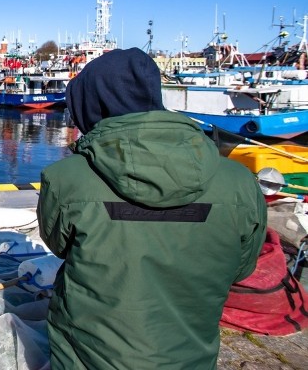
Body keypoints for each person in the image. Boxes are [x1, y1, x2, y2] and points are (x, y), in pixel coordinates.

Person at [37, 47, 267, 370]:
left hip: (87, 359)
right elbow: (241, 267)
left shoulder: (66, 180)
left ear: (92, 107)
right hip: (192, 359)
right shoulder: (241, 185)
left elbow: (58, 244)